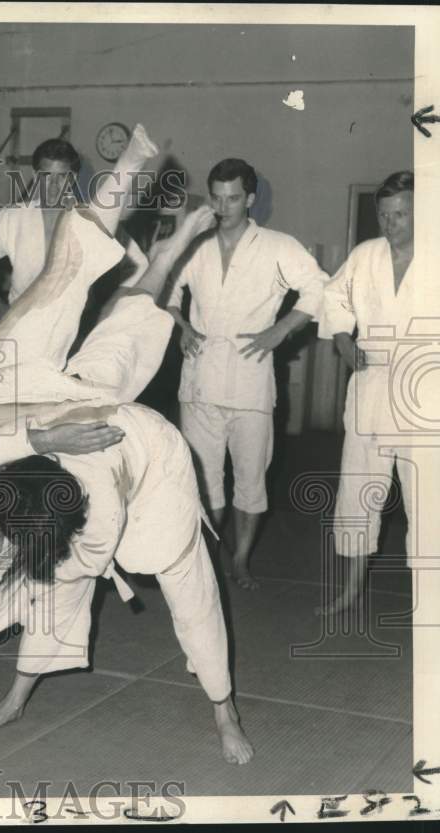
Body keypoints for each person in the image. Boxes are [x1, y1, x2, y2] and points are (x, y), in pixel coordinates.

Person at [0, 125, 253, 763]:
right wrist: (49, 536)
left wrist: (45, 434)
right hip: (105, 435)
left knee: (58, 281)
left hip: (6, 402)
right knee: (129, 327)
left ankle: (224, 709)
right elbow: (63, 573)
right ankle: (23, 699)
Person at [164, 158, 327, 590]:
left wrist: (281, 329)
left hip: (252, 382)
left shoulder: (278, 246)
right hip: (198, 381)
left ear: (250, 198)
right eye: (216, 197)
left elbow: (319, 289)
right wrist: (180, 324)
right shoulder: (194, 244)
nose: (223, 206)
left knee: (251, 481)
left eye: (233, 198)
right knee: (202, 481)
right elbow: (166, 287)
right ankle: (208, 562)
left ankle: (241, 560)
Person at [317, 171, 434, 615]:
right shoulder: (365, 255)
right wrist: (345, 342)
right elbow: (334, 301)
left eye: (400, 214)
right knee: (358, 489)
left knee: (428, 497)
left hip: (426, 393)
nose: (391, 223)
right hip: (370, 387)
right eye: (384, 215)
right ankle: (351, 589)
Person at [0, 137, 149, 323]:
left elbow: (139, 264)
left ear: (73, 178)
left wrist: (112, 304)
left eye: (61, 177)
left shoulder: (91, 218)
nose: (53, 187)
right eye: (46, 176)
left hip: (73, 323)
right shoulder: (14, 217)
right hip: (22, 319)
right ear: (36, 176)